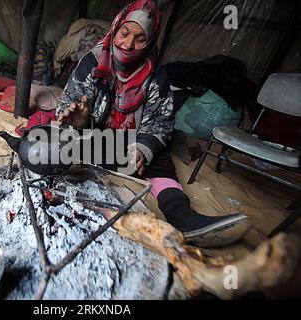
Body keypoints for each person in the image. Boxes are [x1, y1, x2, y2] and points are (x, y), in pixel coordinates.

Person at [56, 0, 251, 247]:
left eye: (140, 39)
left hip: (128, 146)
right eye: (124, 34)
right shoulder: (92, 62)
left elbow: (160, 123)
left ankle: (183, 218)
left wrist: (142, 149)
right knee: (58, 144)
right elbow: (68, 105)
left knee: (159, 157)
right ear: (115, 29)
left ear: (150, 41)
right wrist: (80, 120)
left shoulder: (156, 75)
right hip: (95, 141)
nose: (128, 45)